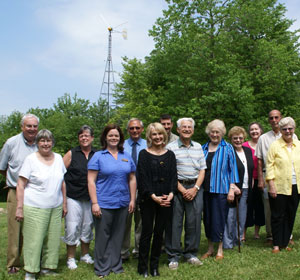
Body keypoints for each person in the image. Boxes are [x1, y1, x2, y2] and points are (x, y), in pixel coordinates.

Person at [15, 129, 67, 280]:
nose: (46, 143)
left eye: (48, 140)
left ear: (52, 142)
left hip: (55, 206)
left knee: (52, 240)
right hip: (35, 206)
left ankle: (48, 267)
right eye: (42, 141)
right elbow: (20, 184)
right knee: (34, 240)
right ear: (37, 143)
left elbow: (62, 182)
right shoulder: (30, 159)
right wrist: (19, 207)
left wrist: (64, 203)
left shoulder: (58, 158)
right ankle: (30, 271)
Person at [88, 124, 136, 278]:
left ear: (120, 138)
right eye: (111, 135)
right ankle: (102, 267)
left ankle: (116, 265)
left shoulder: (126, 156)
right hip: (104, 203)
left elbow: (132, 178)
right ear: (105, 138)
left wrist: (132, 199)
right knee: (103, 236)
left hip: (122, 202)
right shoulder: (98, 156)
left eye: (116, 136)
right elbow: (90, 180)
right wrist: (95, 203)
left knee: (118, 235)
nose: (114, 138)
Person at [0, 113, 39, 274]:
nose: (32, 129)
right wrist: (14, 181)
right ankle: (13, 264)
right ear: (22, 126)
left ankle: (34, 261)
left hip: (36, 193)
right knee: (15, 230)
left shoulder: (40, 142)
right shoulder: (11, 143)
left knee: (34, 230)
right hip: (16, 191)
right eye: (28, 126)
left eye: (34, 126)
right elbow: (2, 167)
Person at [137, 123, 177, 277]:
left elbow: (174, 176)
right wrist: (153, 196)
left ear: (164, 135)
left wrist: (172, 193)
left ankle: (154, 266)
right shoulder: (144, 154)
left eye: (160, 134)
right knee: (147, 232)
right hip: (149, 199)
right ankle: (142, 266)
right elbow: (143, 179)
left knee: (159, 233)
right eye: (154, 134)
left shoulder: (170, 155)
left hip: (167, 199)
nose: (158, 137)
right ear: (149, 136)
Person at [167, 118, 206, 269]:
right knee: (174, 224)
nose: (187, 129)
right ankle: (173, 256)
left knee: (194, 223)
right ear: (178, 130)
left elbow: (202, 169)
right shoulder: (170, 148)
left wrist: (195, 188)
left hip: (195, 188)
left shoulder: (198, 147)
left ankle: (191, 254)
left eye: (190, 127)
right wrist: (182, 190)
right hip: (178, 189)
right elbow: (170, 172)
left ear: (193, 130)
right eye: (184, 127)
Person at [201, 119, 240, 260]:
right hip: (205, 190)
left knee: (219, 219)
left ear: (222, 133)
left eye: (217, 132)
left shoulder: (228, 148)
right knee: (208, 219)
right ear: (209, 133)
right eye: (212, 132)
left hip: (221, 189)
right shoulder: (203, 148)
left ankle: (219, 249)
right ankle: (210, 248)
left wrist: (231, 188)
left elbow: (233, 169)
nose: (215, 134)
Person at [62, 125, 96, 269]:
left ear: (92, 138)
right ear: (78, 138)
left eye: (87, 135)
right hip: (73, 196)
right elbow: (60, 174)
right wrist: (63, 200)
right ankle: (70, 258)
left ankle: (85, 255)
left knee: (87, 226)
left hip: (90, 198)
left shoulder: (97, 154)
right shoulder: (71, 153)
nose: (84, 138)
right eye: (81, 135)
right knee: (72, 226)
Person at [266, 117, 300, 253]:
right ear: (280, 130)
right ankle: (276, 244)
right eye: (284, 129)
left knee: (290, 215)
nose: (287, 131)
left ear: (294, 129)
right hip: (279, 185)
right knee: (277, 215)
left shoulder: (298, 145)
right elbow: (269, 166)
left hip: (296, 185)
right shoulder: (275, 145)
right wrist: (271, 184)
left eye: (290, 128)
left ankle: (285, 243)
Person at [223, 126, 254, 249]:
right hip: (233, 188)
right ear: (231, 139)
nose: (238, 140)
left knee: (241, 217)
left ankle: (239, 239)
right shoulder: (228, 151)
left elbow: (250, 169)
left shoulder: (247, 150)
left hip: (246, 188)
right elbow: (225, 171)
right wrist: (231, 187)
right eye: (235, 138)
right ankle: (228, 243)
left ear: (244, 138)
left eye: (240, 138)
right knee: (230, 217)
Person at [122, 118, 147, 260]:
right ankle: (123, 251)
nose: (135, 131)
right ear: (128, 130)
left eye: (137, 128)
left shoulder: (148, 144)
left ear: (142, 129)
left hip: (143, 187)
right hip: (125, 187)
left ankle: (139, 250)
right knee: (125, 221)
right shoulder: (122, 145)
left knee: (141, 221)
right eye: (132, 128)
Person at [243, 122, 265, 239]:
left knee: (260, 206)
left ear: (261, 130)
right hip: (248, 180)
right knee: (248, 206)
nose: (254, 131)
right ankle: (244, 233)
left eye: (256, 129)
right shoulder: (244, 145)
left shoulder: (264, 144)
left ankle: (257, 233)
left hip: (262, 179)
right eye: (252, 129)